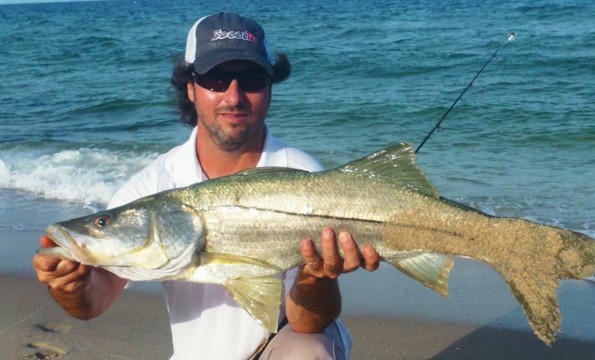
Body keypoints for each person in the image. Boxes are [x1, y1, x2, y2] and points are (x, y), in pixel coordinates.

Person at [33, 12, 380, 360]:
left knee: (308, 351)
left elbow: (308, 322)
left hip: (288, 344)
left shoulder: (302, 175)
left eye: (252, 79)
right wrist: (72, 286)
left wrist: (318, 277)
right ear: (191, 87)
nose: (234, 95)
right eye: (216, 79)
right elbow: (92, 302)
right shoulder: (153, 185)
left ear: (270, 88)